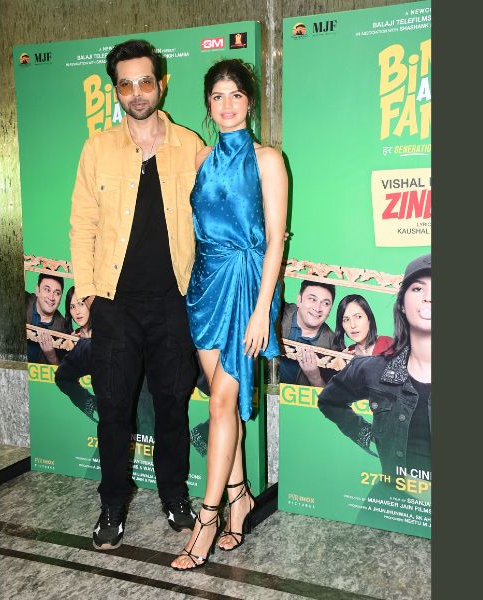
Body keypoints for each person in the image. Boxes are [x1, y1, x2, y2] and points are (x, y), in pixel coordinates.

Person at [69, 39, 203, 551]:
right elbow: (82, 225)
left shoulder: (189, 145)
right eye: (125, 84)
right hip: (115, 303)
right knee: (113, 408)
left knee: (172, 404)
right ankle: (112, 504)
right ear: (116, 91)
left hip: (174, 300)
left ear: (161, 84)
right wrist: (87, 293)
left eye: (145, 81)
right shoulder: (97, 149)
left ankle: (175, 496)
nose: (137, 92)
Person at [171, 59, 287, 571]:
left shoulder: (268, 160)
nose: (226, 105)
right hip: (205, 286)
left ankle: (207, 519)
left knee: (222, 402)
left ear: (250, 101)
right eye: (217, 96)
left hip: (247, 287)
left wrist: (262, 311)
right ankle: (239, 495)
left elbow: (276, 239)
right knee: (223, 404)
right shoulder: (200, 158)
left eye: (235, 95)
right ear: (207, 103)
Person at [317, 255, 431, 516]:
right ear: (402, 305)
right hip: (388, 505)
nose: (428, 297)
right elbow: (328, 400)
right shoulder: (371, 368)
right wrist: (365, 434)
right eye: (417, 288)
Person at [278, 280, 336, 387]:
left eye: (325, 303)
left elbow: (331, 396)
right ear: (299, 300)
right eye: (312, 299)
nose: (317, 308)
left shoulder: (335, 346)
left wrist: (315, 377)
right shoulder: (277, 310)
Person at [25, 273, 68, 365]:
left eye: (57, 293)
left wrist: (52, 357)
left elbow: (64, 371)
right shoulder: (23, 300)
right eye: (47, 289)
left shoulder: (64, 329)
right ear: (37, 290)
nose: (51, 297)